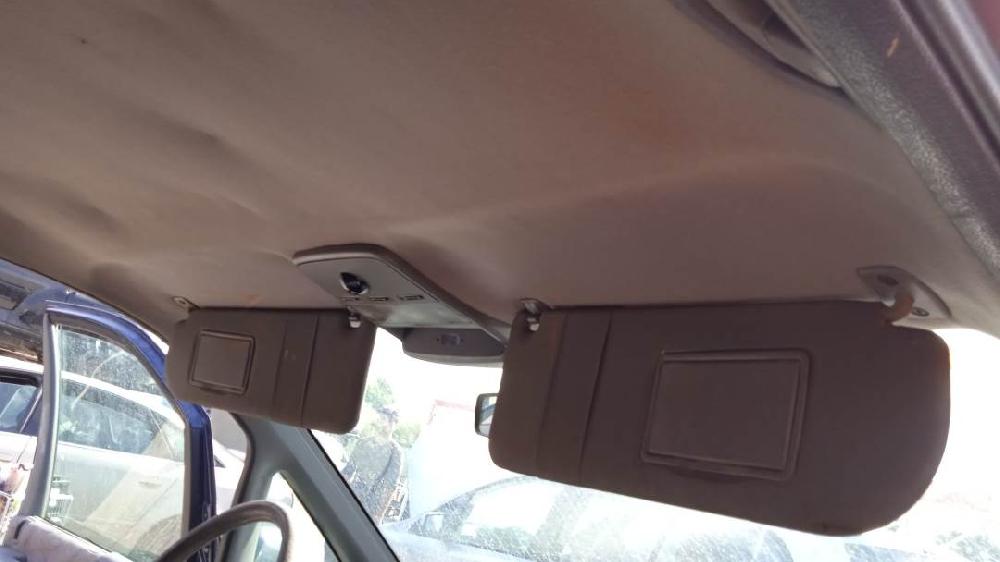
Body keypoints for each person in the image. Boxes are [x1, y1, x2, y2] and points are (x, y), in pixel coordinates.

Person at [343, 406, 403, 523]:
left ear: (394, 425)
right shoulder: (364, 443)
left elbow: (390, 487)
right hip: (352, 497)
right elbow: (348, 471)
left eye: (387, 419)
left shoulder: (395, 452)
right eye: (381, 418)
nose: (382, 422)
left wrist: (378, 516)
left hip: (371, 509)